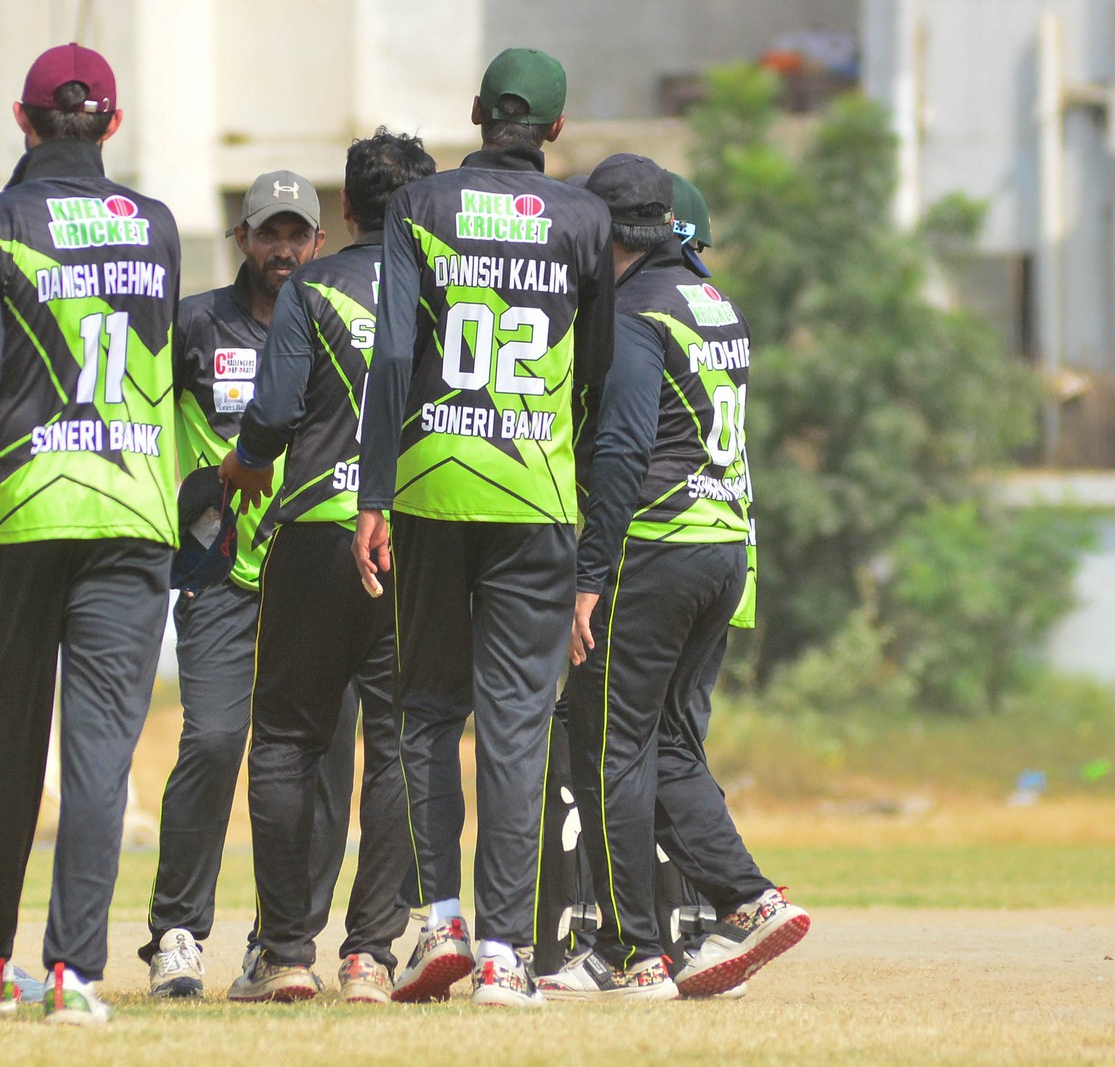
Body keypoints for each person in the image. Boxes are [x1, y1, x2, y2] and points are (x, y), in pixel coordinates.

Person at [0, 42, 182, 1026]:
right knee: (100, 753)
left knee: (4, 748)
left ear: (22, 121)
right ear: (113, 124)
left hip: (21, 512)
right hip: (130, 510)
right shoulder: (157, 227)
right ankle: (73, 973)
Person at [353, 47, 616, 1007]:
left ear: (475, 113)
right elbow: (598, 380)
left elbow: (393, 354)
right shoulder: (584, 219)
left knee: (427, 710)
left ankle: (443, 918)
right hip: (537, 495)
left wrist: (373, 492)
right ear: (554, 127)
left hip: (430, 488)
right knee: (515, 727)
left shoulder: (421, 206)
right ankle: (506, 954)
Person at [535, 154, 808, 1002]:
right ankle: (750, 900)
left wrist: (589, 573)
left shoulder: (633, 312)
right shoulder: (713, 302)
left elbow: (622, 447)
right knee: (668, 746)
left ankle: (630, 952)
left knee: (606, 747)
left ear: (605, 232)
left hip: (652, 547)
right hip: (724, 547)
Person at [219, 129, 438, 1004]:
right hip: (414, 537)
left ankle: (284, 953)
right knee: (398, 746)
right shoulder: (445, 289)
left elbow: (273, 415)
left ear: (344, 210)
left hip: (316, 534)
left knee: (285, 739)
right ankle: (369, 955)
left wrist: (245, 462)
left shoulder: (311, 287)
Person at [141, 169, 357, 999]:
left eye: (297, 234)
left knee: (323, 762)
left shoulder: (340, 319)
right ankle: (176, 933)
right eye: (269, 233)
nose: (283, 249)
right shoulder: (195, 324)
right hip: (223, 574)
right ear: (242, 239)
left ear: (320, 241)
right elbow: (144, 423)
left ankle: (281, 942)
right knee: (214, 739)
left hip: (320, 570)